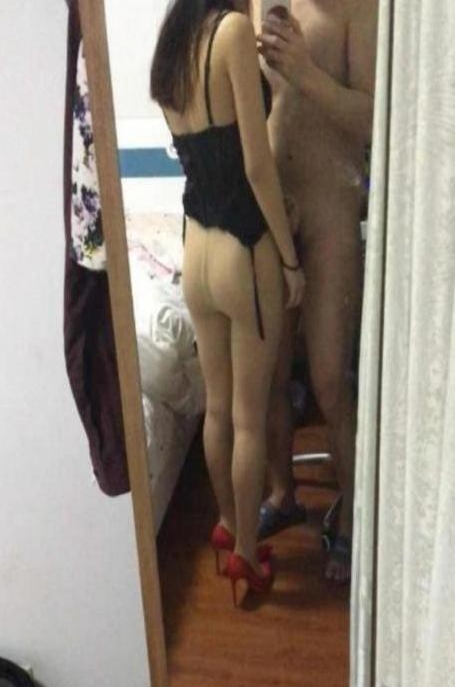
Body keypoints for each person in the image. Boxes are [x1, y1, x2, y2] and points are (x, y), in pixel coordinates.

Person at [151, 0, 305, 604]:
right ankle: (246, 551)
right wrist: (290, 259)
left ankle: (225, 523)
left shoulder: (174, 43)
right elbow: (257, 167)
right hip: (244, 248)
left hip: (196, 247)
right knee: (248, 417)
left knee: (216, 410)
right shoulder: (233, 32)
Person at [254, 0, 378, 583]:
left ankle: (352, 511)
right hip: (275, 211)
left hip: (332, 207)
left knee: (329, 378)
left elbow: (374, 120)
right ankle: (282, 494)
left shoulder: (362, 9)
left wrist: (304, 71)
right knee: (272, 373)